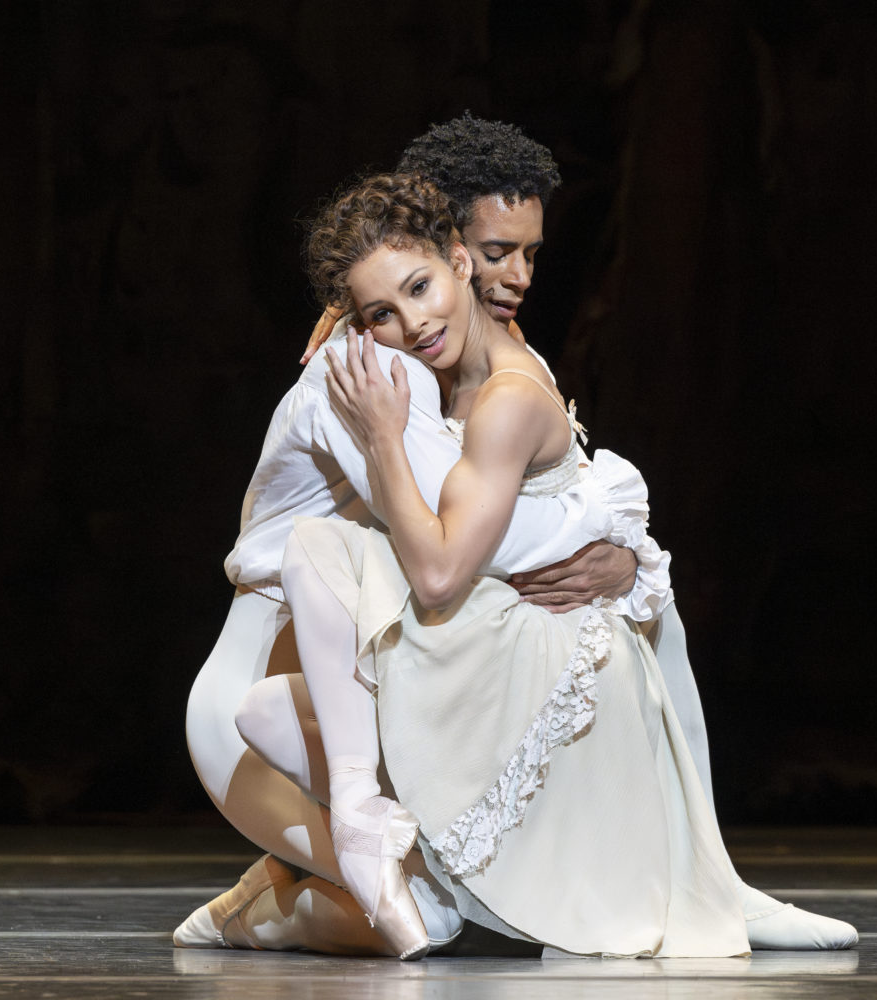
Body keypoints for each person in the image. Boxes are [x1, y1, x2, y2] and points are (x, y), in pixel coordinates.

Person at [175, 116, 857, 955]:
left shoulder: (474, 357)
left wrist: (624, 562)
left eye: (530, 253)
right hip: (281, 668)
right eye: (497, 252)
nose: (519, 276)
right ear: (450, 245)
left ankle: (697, 872)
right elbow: (466, 544)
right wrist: (622, 554)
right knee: (437, 914)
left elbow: (507, 507)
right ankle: (255, 912)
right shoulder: (361, 371)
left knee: (643, 612)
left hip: (380, 657)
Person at [276, 172, 751, 958]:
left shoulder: (506, 399)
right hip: (511, 623)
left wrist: (382, 437)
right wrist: (352, 309)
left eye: (421, 288)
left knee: (321, 554)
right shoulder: (446, 363)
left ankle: (375, 845)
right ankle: (364, 853)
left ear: (460, 264)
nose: (413, 322)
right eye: (383, 314)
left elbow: (437, 576)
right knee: (266, 714)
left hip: (558, 660)